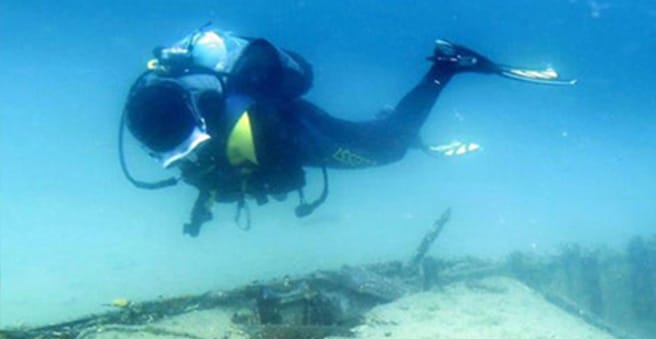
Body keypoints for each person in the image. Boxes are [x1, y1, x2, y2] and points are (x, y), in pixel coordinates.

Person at [121, 28, 574, 236]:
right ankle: (394, 115)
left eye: (188, 150)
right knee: (379, 139)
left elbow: (262, 162)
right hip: (280, 132)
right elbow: (219, 163)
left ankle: (446, 66)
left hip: (297, 131)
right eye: (177, 157)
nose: (185, 158)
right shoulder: (167, 110)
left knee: (388, 149)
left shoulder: (225, 117)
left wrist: (246, 176)